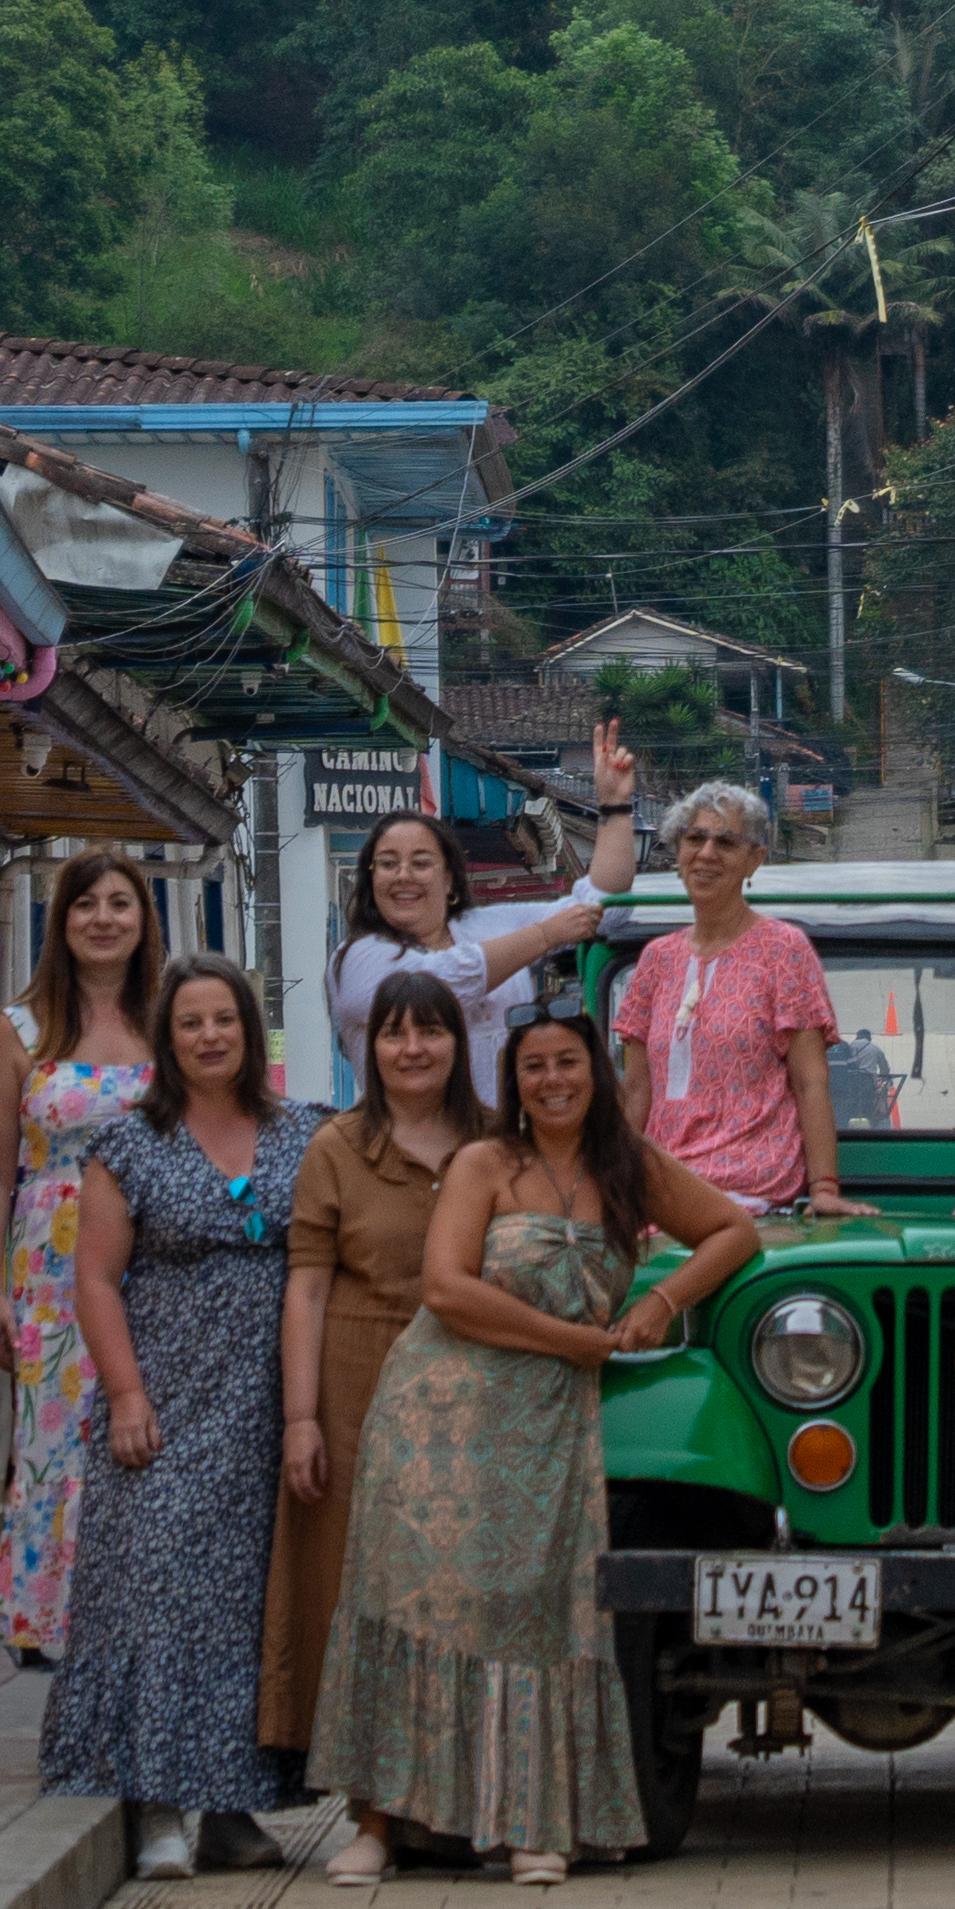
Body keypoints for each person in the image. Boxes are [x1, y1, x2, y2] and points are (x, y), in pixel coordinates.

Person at [320, 999, 760, 1882]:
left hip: (551, 1423)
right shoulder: (485, 1161)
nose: (551, 1080)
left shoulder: (627, 1167)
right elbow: (446, 1290)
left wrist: (657, 1304)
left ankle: (533, 1821)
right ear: (511, 1081)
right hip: (439, 1411)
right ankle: (379, 1825)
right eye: (533, 1067)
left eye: (567, 1063)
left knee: (536, 1610)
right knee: (418, 1604)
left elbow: (734, 1231)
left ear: (594, 1073)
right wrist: (580, 1344)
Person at [32, 957, 314, 1875]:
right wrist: (124, 1394)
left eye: (223, 1019)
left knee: (244, 1607)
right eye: (189, 1022)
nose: (208, 1036)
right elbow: (96, 1278)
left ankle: (234, 1807)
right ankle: (156, 1805)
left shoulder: (300, 1134)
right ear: (167, 1038)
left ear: (249, 1030)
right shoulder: (131, 1144)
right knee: (153, 1595)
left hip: (265, 1403)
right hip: (161, 1400)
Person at [262, 963, 489, 1800]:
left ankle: (460, 1783)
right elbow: (308, 1286)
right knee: (349, 1579)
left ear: (459, 1043)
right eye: (393, 1031)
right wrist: (301, 1419)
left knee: (461, 1581)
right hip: (356, 1378)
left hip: (472, 1385)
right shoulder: (336, 1148)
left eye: (430, 1030)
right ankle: (365, 1786)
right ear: (369, 1046)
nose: (411, 1047)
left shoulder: (497, 1143)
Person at [0, 852, 173, 1662]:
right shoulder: (19, 1030)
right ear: (61, 922)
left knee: (152, 1428)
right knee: (58, 1435)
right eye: (86, 904)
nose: (103, 919)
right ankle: (56, 1622)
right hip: (50, 1268)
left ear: (143, 920)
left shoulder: (172, 1022)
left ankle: (149, 1612)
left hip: (157, 1257)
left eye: (121, 904)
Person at [320, 720, 643, 1094]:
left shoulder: (490, 925)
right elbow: (433, 985)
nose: (403, 876)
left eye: (421, 863)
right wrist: (544, 935)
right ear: (370, 878)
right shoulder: (357, 959)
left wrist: (615, 805)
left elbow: (604, 909)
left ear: (450, 880)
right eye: (388, 864)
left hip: (503, 1146)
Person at [615, 780, 847, 1214]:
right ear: (678, 853)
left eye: (725, 842)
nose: (706, 854)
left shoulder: (784, 950)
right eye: (695, 838)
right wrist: (611, 1190)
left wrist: (825, 1190)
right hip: (663, 1185)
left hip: (753, 1186)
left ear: (753, 860)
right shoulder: (655, 960)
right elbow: (636, 1089)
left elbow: (810, 1082)